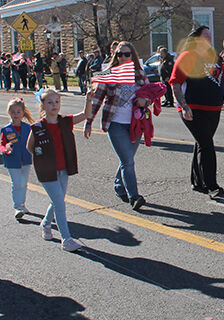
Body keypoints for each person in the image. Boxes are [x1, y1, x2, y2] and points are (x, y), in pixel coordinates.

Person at [169, 26, 224, 200]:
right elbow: (175, 83)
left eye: (210, 36)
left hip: (214, 110)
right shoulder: (187, 56)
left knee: (201, 144)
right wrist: (184, 106)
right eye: (206, 36)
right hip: (193, 110)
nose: (209, 39)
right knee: (207, 145)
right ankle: (211, 185)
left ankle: (197, 182)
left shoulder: (215, 58)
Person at [84, 41, 150, 210]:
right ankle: (134, 196)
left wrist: (146, 101)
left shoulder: (139, 74)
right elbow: (97, 98)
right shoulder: (109, 74)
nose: (123, 57)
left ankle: (119, 186)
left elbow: (151, 94)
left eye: (126, 54)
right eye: (119, 54)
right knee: (127, 161)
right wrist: (89, 121)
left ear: (132, 56)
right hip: (115, 124)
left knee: (126, 159)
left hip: (136, 124)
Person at [26, 89, 92, 252]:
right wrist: (44, 159)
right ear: (42, 106)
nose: (54, 105)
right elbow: (30, 147)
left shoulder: (65, 121)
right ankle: (66, 239)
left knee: (57, 200)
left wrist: (88, 100)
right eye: (49, 102)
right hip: (47, 172)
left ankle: (46, 224)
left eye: (57, 102)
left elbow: (85, 115)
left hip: (63, 169)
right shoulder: (37, 127)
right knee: (60, 203)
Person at [0, 98, 35, 219]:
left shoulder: (28, 128)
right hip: (12, 160)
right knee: (17, 183)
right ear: (9, 113)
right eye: (13, 112)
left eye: (18, 112)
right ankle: (17, 206)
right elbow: (2, 144)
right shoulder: (5, 129)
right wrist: (6, 149)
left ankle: (22, 204)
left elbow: (33, 142)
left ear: (23, 113)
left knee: (24, 183)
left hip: (26, 159)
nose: (16, 114)